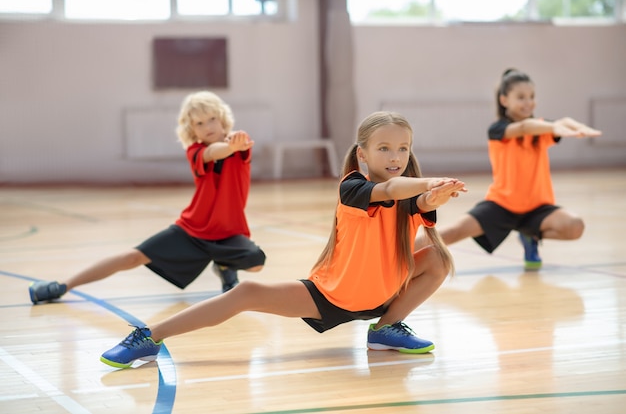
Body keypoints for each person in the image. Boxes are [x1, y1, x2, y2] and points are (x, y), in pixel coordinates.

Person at [99, 111, 468, 369]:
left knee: (437, 258)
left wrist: (433, 196)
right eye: (384, 148)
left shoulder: (409, 193)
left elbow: (419, 202)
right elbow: (389, 188)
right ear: (363, 154)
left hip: (383, 294)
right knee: (246, 294)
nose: (395, 156)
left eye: (403, 148)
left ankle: (386, 328)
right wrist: (428, 183)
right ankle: (149, 335)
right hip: (332, 296)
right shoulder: (353, 186)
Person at [28, 91, 266, 304]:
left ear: (222, 119)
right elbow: (215, 152)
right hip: (193, 230)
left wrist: (236, 142)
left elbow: (234, 145)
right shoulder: (196, 152)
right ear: (192, 130)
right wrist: (230, 146)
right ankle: (62, 285)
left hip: (229, 233)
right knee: (133, 257)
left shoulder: (241, 147)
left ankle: (224, 265)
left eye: (212, 118)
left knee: (256, 262)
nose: (207, 126)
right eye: (199, 123)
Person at [415, 68, 601, 270]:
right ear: (504, 100)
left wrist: (576, 127)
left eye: (531, 97)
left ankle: (530, 235)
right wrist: (555, 128)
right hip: (501, 206)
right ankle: (399, 254)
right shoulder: (498, 130)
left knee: (575, 227)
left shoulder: (541, 130)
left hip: (537, 209)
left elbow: (562, 121)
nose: (528, 102)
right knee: (451, 233)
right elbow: (524, 128)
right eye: (521, 97)